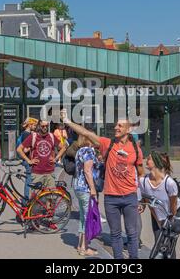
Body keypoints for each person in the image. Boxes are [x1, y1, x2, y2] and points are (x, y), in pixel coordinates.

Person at [61, 109, 144, 259]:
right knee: (115, 234)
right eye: (115, 125)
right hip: (111, 198)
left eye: (120, 125)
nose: (116, 128)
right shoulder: (108, 143)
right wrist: (68, 121)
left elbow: (140, 173)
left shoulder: (136, 150)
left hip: (130, 197)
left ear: (128, 129)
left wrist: (141, 198)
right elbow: (86, 133)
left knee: (132, 234)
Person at [139, 151, 180, 258]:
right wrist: (158, 221)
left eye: (149, 158)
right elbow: (149, 203)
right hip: (157, 212)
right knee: (159, 240)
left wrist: (170, 221)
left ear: (156, 162)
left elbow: (173, 205)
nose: (147, 160)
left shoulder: (169, 183)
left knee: (168, 242)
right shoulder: (143, 181)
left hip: (175, 211)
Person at [17, 120, 67, 190]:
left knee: (50, 197)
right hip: (37, 173)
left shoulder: (51, 136)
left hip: (50, 173)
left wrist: (55, 159)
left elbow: (63, 148)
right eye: (43, 126)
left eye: (46, 126)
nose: (45, 128)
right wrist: (28, 161)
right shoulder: (33, 136)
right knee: (36, 198)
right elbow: (19, 149)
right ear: (39, 126)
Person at [73, 135, 101, 257]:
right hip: (85, 188)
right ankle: (84, 248)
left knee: (83, 217)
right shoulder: (89, 151)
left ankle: (80, 245)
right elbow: (87, 171)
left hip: (77, 186)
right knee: (87, 217)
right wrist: (93, 189)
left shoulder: (79, 151)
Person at [16, 117, 38, 202]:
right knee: (29, 180)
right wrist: (33, 146)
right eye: (34, 125)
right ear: (30, 125)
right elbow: (24, 149)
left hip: (27, 159)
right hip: (28, 160)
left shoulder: (25, 133)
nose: (35, 127)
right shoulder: (27, 135)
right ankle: (26, 200)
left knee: (30, 179)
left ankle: (28, 198)